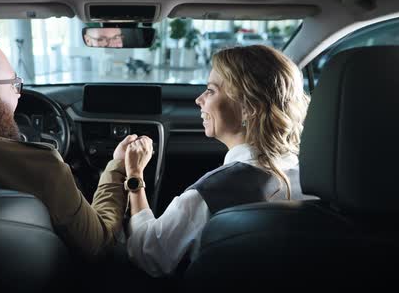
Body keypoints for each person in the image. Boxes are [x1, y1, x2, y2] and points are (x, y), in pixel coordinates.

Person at [0, 26, 135, 258]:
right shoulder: (40, 166)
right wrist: (118, 167)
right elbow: (99, 244)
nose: (19, 94)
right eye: (13, 84)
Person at [124, 45, 311, 277]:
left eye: (211, 91)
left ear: (248, 108)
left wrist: (134, 174)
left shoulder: (212, 193)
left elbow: (147, 253)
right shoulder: (311, 178)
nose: (198, 99)